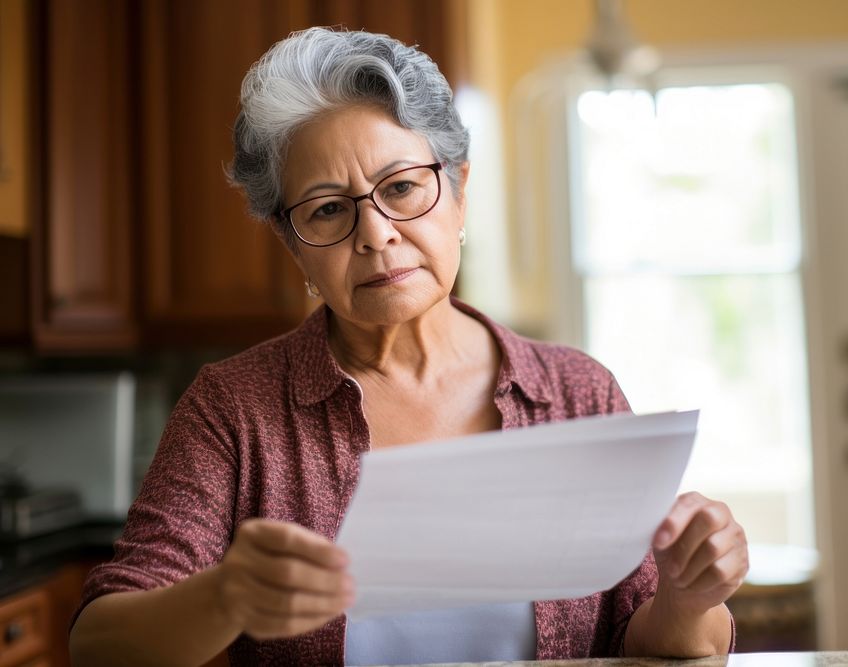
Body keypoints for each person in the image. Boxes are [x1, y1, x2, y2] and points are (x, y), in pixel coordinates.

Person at [68, 27, 748, 666]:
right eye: (329, 208)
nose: (376, 234)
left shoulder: (576, 393)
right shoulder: (233, 409)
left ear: (458, 191)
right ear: (291, 242)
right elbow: (99, 641)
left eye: (401, 188)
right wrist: (224, 597)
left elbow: (647, 635)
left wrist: (689, 598)